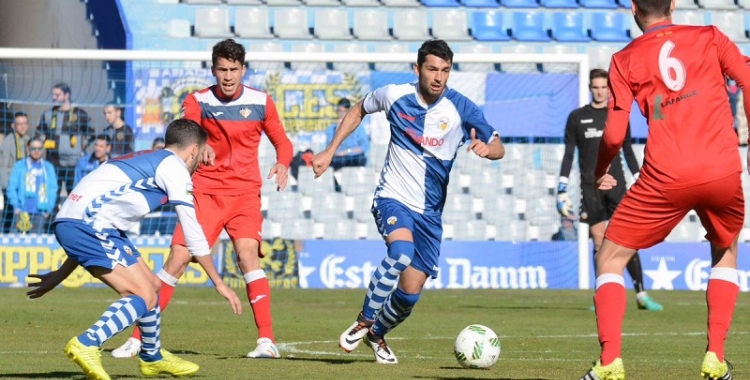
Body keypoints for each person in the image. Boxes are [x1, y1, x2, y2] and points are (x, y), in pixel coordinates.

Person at [579, 1, 750, 378]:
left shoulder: (624, 59)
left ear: (634, 8)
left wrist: (600, 171)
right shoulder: (709, 36)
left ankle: (609, 365)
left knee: (609, 258)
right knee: (726, 250)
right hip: (720, 169)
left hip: (665, 175)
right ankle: (715, 358)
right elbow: (749, 78)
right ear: (673, 4)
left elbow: (614, 134)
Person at [312, 39, 505, 364]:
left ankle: (377, 335)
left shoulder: (462, 108)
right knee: (400, 253)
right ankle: (364, 320)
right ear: (417, 69)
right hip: (393, 198)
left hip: (429, 214)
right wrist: (330, 150)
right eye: (432, 69)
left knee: (409, 295)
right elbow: (359, 108)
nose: (439, 77)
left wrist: (490, 151)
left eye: (445, 70)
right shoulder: (394, 95)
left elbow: (498, 143)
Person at [112, 38, 293, 359]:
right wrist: (200, 141)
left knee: (247, 256)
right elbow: (188, 126)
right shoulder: (198, 99)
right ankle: (139, 338)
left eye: (233, 70)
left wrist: (282, 161)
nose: (227, 76)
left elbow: (282, 141)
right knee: (177, 260)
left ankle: (267, 341)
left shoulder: (261, 102)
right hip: (205, 194)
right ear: (213, 70)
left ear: (243, 70)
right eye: (222, 69)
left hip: (244, 196)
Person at [24, 119, 242, 380]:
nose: (200, 163)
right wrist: (219, 283)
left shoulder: (152, 158)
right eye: (201, 154)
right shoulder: (174, 168)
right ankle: (87, 343)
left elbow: (88, 209)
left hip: (89, 224)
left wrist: (61, 273)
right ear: (194, 150)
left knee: (152, 286)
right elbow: (193, 233)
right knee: (143, 295)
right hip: (90, 225)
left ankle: (152, 357)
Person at [557, 68, 662, 312]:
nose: (600, 91)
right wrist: (562, 186)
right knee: (598, 242)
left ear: (609, 89)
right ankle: (602, 295)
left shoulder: (617, 115)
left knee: (629, 239)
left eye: (604, 87)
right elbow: (569, 153)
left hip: (617, 185)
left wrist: (639, 176)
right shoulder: (576, 117)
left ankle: (641, 294)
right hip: (590, 186)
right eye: (596, 87)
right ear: (590, 88)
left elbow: (626, 149)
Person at [37, 82, 91, 198]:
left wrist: (81, 148)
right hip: (53, 161)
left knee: (74, 194)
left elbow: (91, 134)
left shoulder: (80, 114)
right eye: (53, 95)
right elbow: (40, 133)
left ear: (67, 95)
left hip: (73, 163)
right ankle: (52, 216)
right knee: (52, 193)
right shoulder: (48, 114)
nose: (54, 97)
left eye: (57, 95)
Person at [7, 138, 58, 234]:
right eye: (33, 148)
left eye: (39, 148)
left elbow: (53, 189)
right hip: (21, 211)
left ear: (43, 149)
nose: (37, 151)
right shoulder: (19, 166)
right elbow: (11, 187)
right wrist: (16, 206)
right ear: (28, 149)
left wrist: (48, 208)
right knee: (15, 243)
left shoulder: (48, 167)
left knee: (36, 244)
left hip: (40, 212)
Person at [325, 98, 370, 192]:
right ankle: (338, 188)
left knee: (361, 159)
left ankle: (357, 187)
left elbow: (364, 146)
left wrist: (347, 151)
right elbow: (329, 147)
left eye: (344, 112)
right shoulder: (331, 129)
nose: (341, 115)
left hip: (353, 157)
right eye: (339, 111)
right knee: (332, 161)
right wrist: (338, 129)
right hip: (339, 158)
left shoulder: (358, 127)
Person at [0, 112, 31, 232]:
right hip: (11, 183)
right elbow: (3, 165)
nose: (23, 127)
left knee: (25, 211)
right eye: (19, 124)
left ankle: (24, 232)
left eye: (25, 123)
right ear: (13, 126)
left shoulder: (28, 140)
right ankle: (6, 235)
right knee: (10, 211)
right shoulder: (8, 142)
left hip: (25, 182)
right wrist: (6, 185)